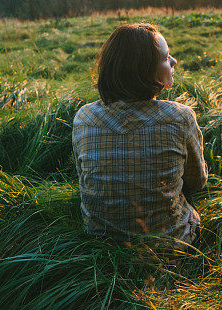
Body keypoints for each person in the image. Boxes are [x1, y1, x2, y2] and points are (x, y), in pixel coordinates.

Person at [72, 22, 208, 249]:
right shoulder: (180, 117)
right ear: (143, 70)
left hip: (100, 242)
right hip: (171, 243)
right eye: (165, 58)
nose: (173, 61)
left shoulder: (84, 117)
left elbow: (83, 180)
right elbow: (198, 182)